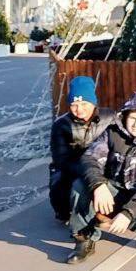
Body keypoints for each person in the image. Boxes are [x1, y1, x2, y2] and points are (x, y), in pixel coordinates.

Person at [67, 88, 136, 264]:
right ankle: (84, 239)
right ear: (125, 115)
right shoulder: (112, 133)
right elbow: (89, 158)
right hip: (114, 187)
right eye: (132, 117)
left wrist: (128, 213)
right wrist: (98, 185)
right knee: (79, 186)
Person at [49, 76, 113, 223]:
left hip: (105, 165)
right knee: (60, 184)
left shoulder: (109, 117)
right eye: (74, 105)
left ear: (93, 102)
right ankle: (67, 212)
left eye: (84, 103)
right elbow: (61, 159)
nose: (79, 109)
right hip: (73, 167)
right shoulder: (61, 125)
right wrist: (89, 172)